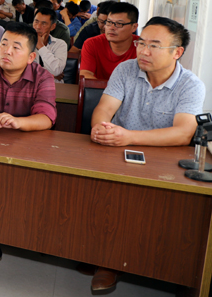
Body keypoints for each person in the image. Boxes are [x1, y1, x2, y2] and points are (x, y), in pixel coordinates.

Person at [87, 17, 205, 293]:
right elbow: (104, 108)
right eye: (141, 43)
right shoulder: (126, 69)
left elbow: (183, 133)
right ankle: (106, 259)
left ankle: (153, 263)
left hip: (165, 161)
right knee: (105, 196)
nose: (143, 51)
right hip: (118, 152)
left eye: (154, 45)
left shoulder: (191, 84)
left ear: (177, 52)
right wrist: (100, 128)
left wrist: (129, 137)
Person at [80, 2, 139, 80]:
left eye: (119, 23)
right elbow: (86, 75)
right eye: (109, 22)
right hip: (98, 88)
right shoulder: (92, 44)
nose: (111, 28)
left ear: (134, 27)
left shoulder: (143, 47)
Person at [32, 7, 67, 82]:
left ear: (52, 27)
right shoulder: (24, 42)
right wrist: (51, 75)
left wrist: (41, 46)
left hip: (54, 86)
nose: (38, 27)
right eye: (36, 21)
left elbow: (56, 70)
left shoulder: (60, 44)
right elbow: (21, 70)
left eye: (44, 23)